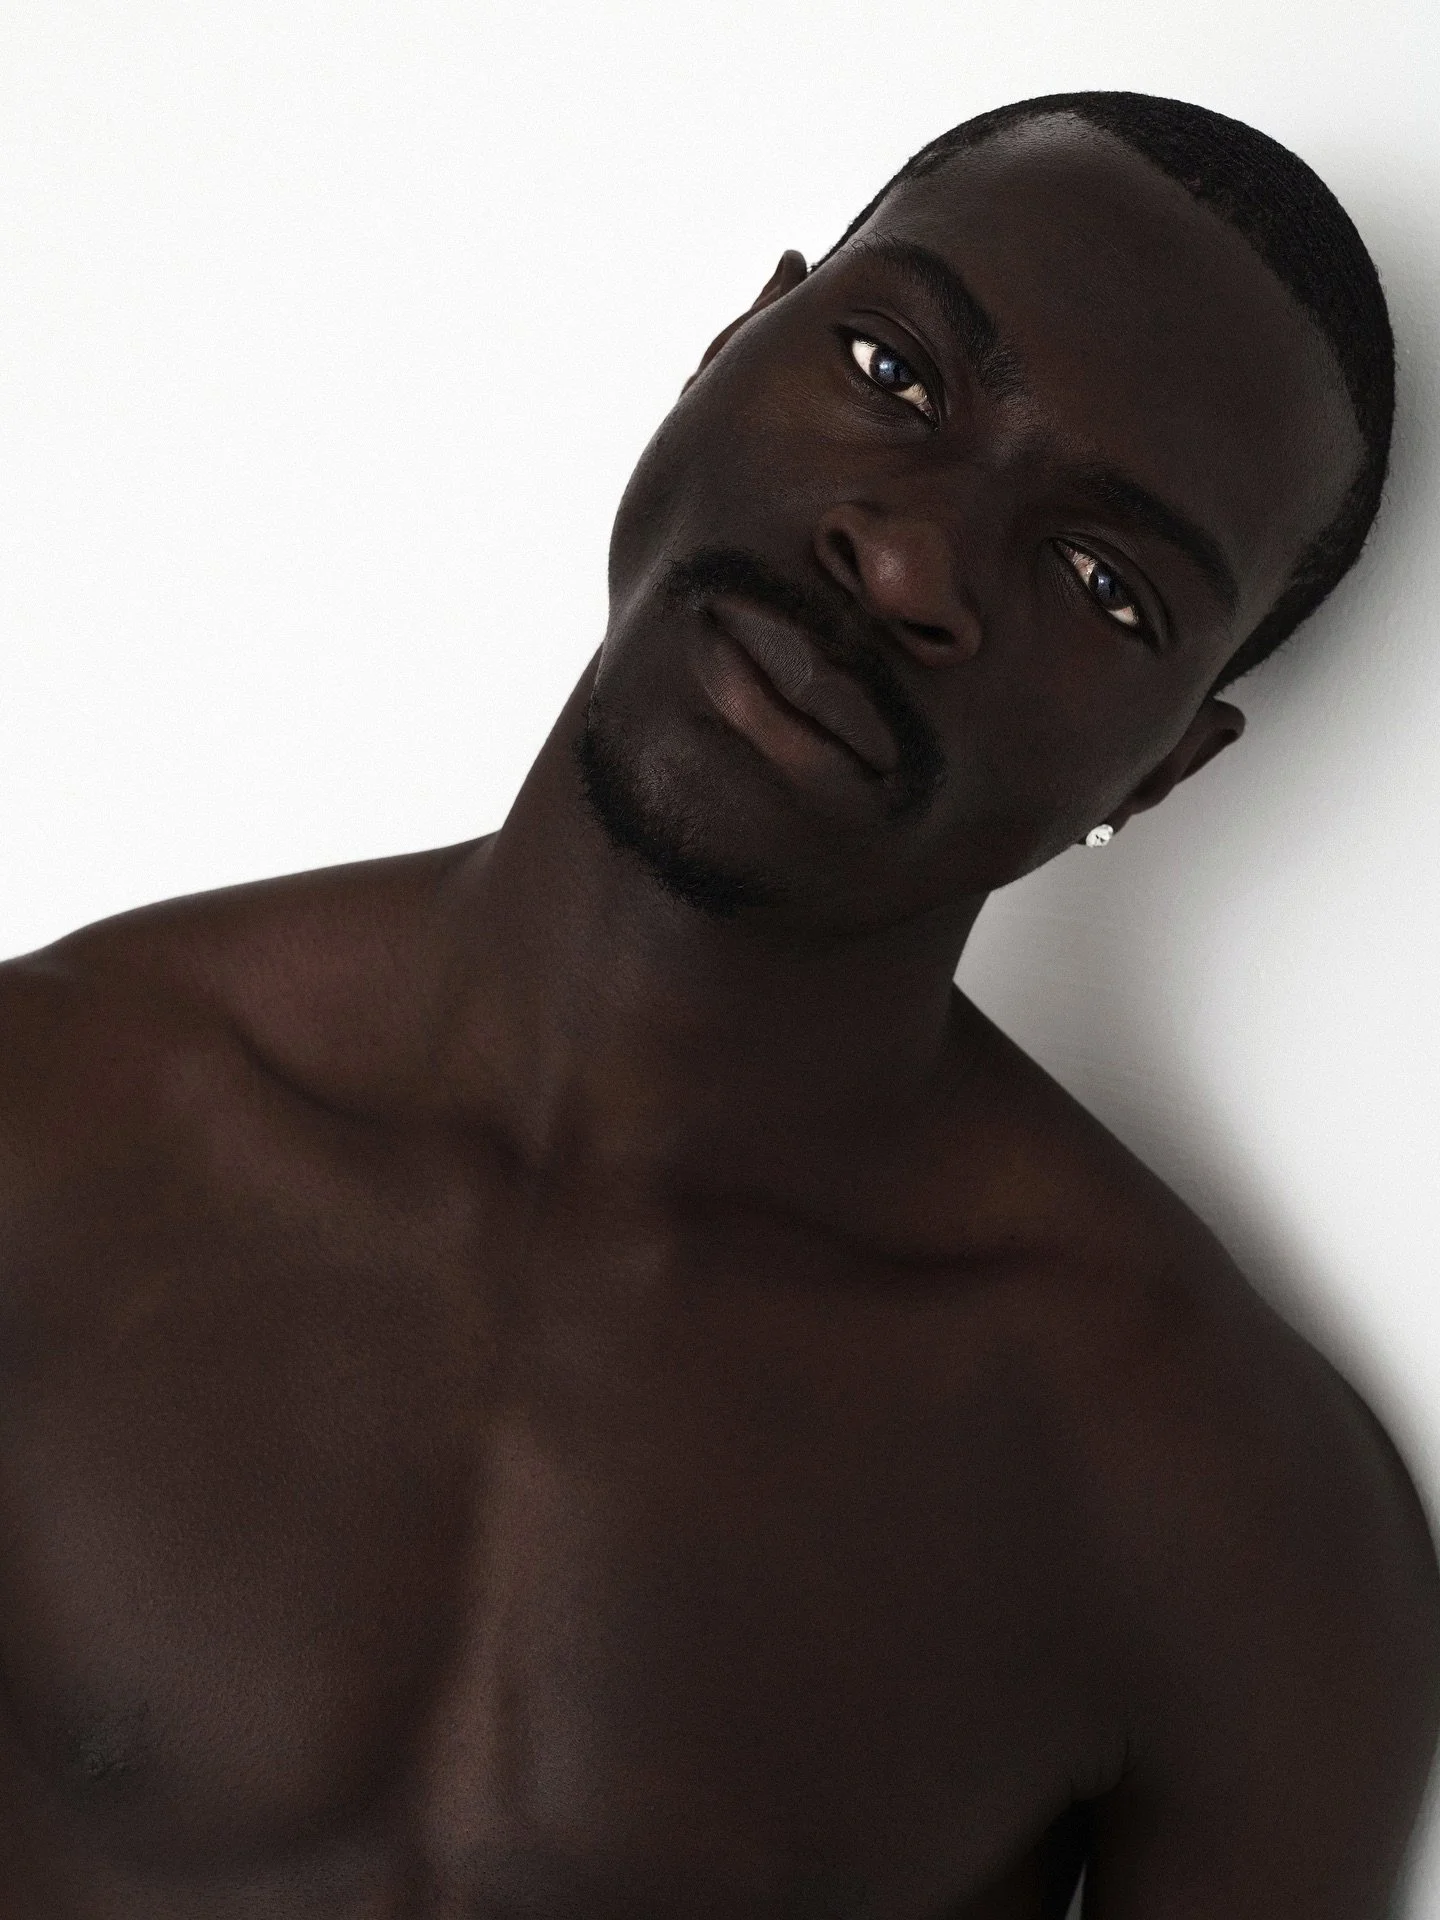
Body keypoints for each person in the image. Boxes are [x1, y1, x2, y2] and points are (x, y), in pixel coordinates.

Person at [0, 87, 1434, 1919]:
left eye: (1105, 581)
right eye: (895, 372)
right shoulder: (48, 1124)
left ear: (1164, 771)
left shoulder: (1219, 1507)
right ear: (720, 348)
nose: (910, 561)